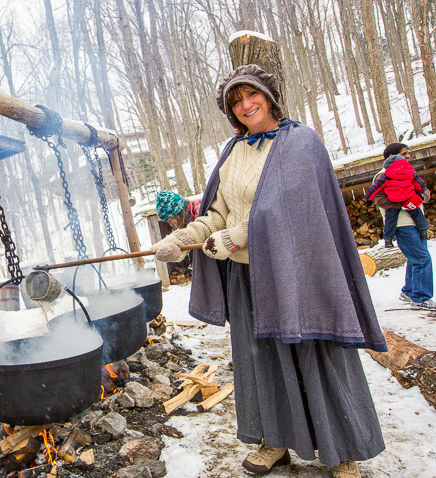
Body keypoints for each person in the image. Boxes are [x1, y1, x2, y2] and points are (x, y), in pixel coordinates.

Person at [151, 64, 386, 478]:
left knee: (314, 354)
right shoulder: (233, 152)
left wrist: (238, 236)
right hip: (249, 278)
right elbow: (218, 212)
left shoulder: (301, 143)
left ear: (269, 95)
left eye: (251, 94)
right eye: (235, 100)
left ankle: (341, 450)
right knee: (263, 360)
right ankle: (275, 442)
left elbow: (295, 212)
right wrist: (183, 239)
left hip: (299, 275)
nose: (245, 105)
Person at [371, 143, 435, 310]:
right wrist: (404, 201)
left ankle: (409, 291)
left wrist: (418, 196)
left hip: (417, 222)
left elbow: (425, 193)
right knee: (422, 259)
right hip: (402, 224)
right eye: (405, 153)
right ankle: (420, 298)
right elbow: (380, 200)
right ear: (392, 156)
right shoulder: (382, 176)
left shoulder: (408, 172)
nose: (408, 156)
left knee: (416, 258)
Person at [366, 152, 429, 248]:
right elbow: (420, 184)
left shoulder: (386, 176)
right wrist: (420, 194)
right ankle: (424, 231)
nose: (408, 156)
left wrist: (369, 199)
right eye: (404, 153)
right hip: (408, 202)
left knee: (390, 220)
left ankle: (388, 240)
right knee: (418, 214)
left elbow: (374, 188)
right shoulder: (410, 173)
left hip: (394, 200)